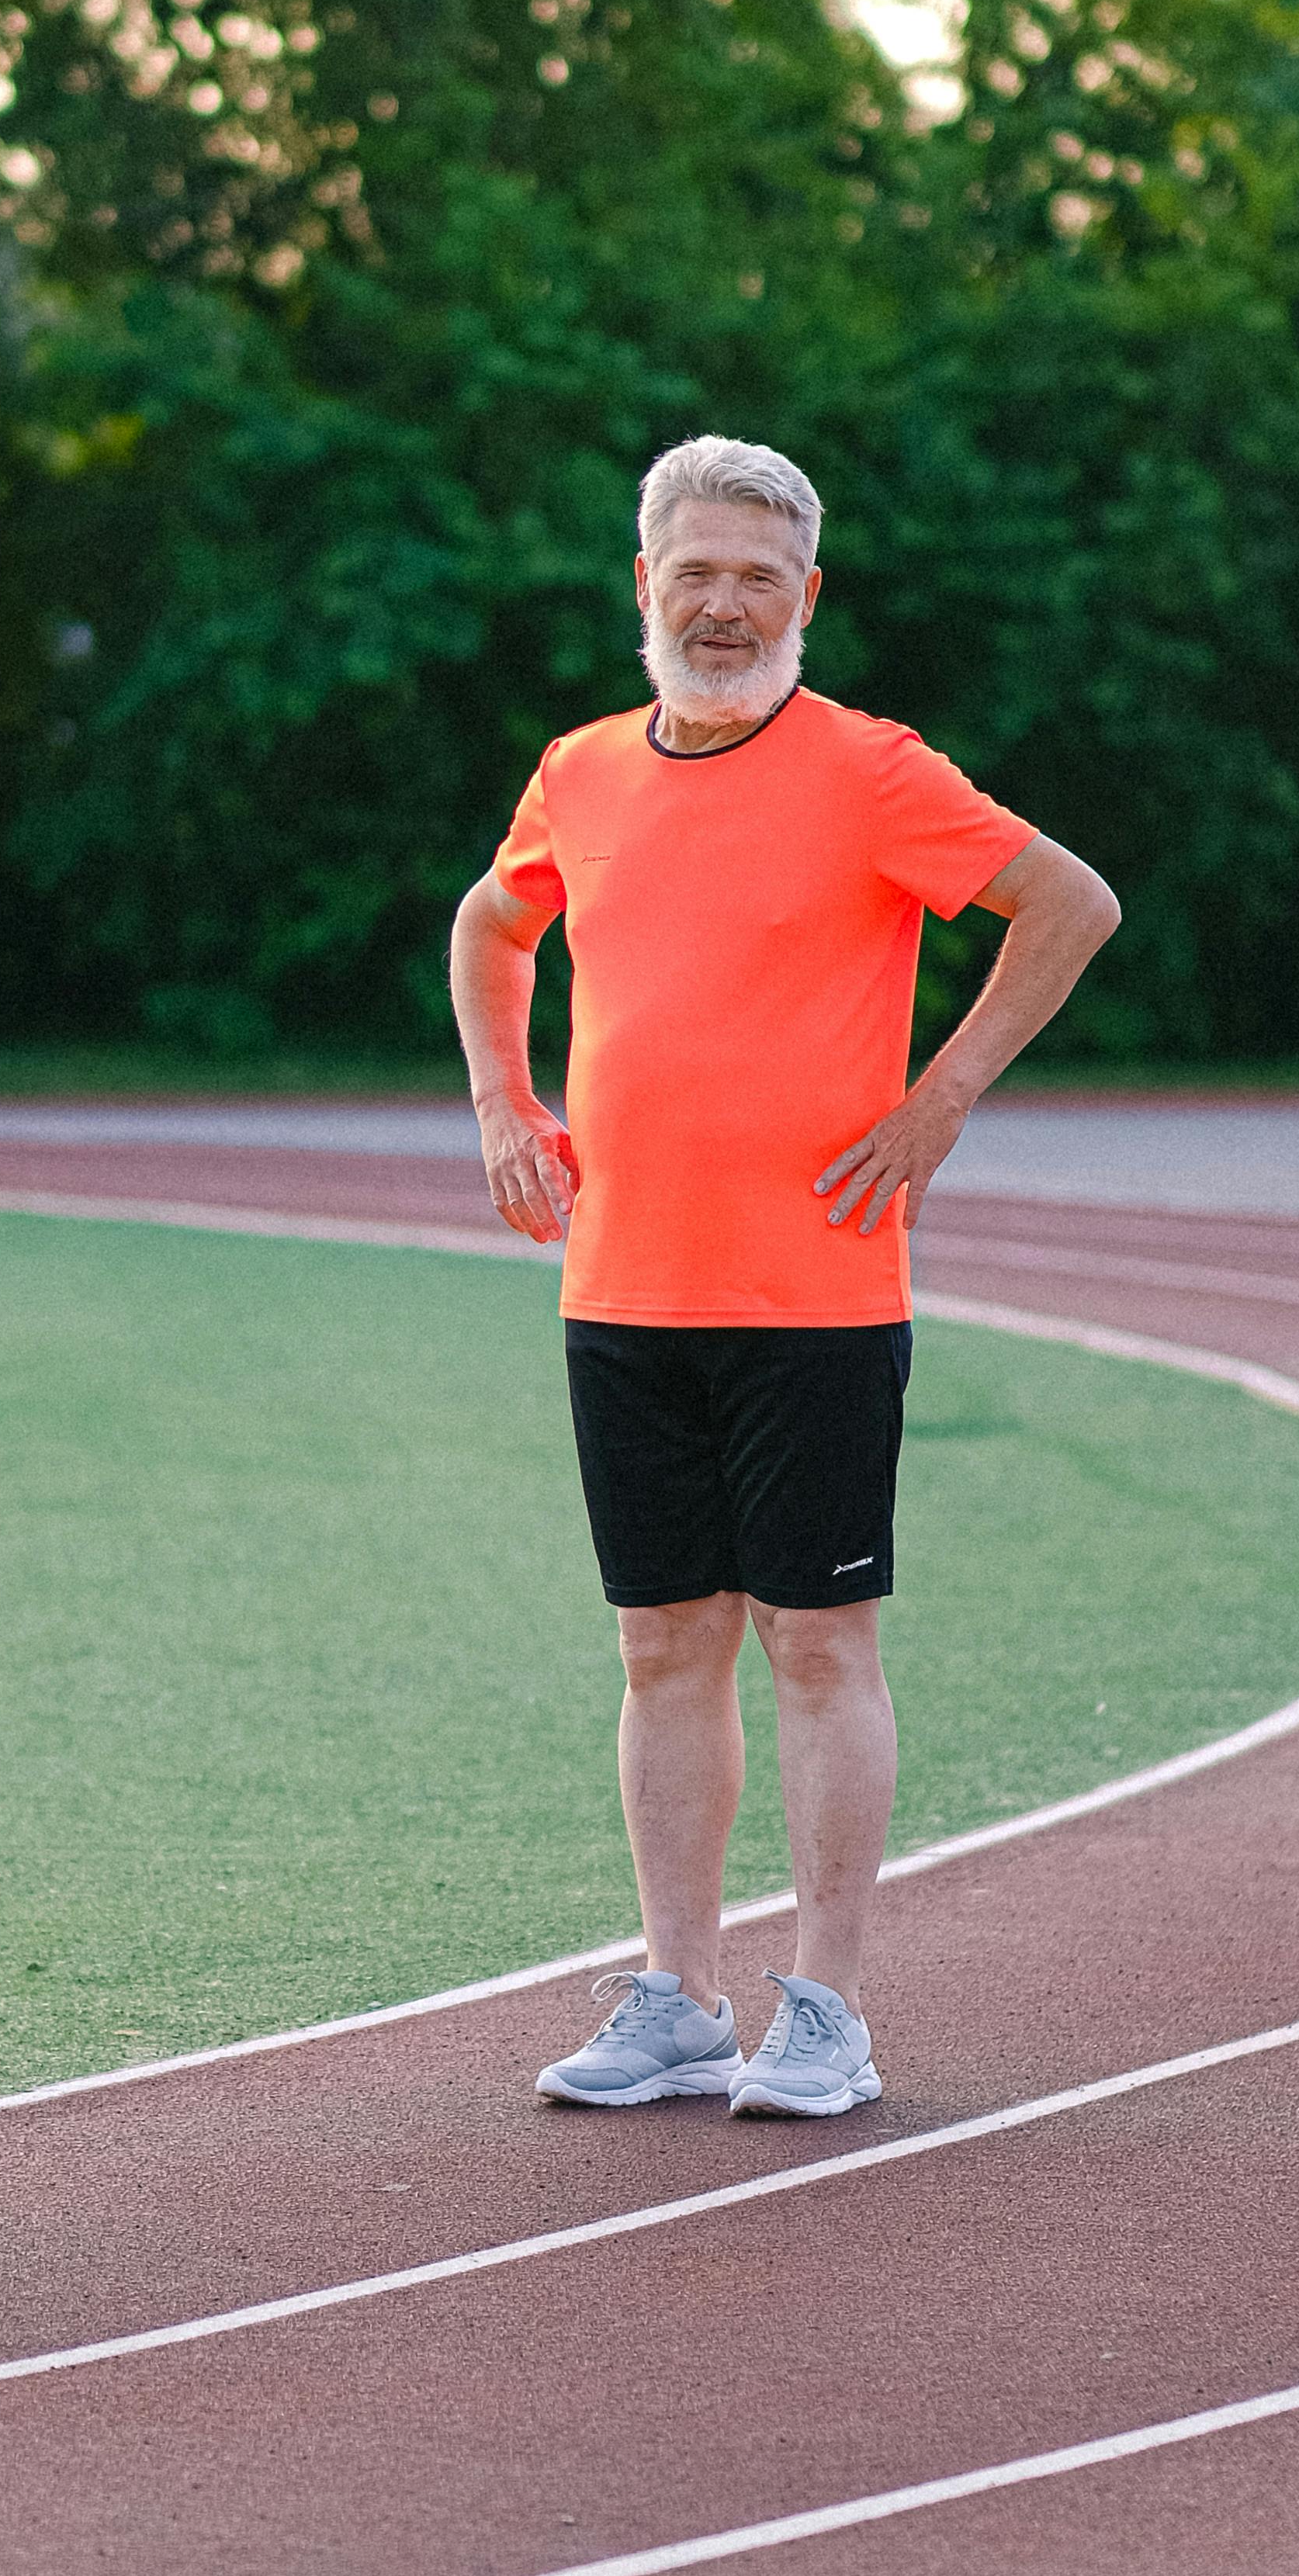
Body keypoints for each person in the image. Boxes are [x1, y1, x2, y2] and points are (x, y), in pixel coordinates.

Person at [448, 435, 1121, 2119]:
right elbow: (490, 924)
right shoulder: (582, 770)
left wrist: (941, 1095)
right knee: (662, 1644)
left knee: (818, 1645)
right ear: (645, 586)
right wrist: (503, 1103)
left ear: (806, 594)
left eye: (760, 575)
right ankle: (674, 1993)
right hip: (621, 1289)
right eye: (698, 571)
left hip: (814, 1297)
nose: (726, 603)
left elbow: (1068, 902)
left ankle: (821, 2005)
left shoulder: (873, 770)